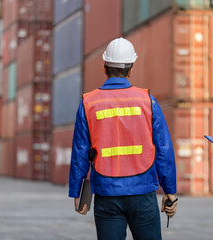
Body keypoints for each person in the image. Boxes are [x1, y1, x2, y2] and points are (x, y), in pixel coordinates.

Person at [69, 37, 177, 240]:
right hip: (143, 193)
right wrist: (170, 191)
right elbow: (163, 149)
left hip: (106, 194)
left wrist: (78, 192)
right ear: (131, 69)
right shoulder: (148, 101)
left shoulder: (88, 103)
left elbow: (80, 153)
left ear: (104, 68)